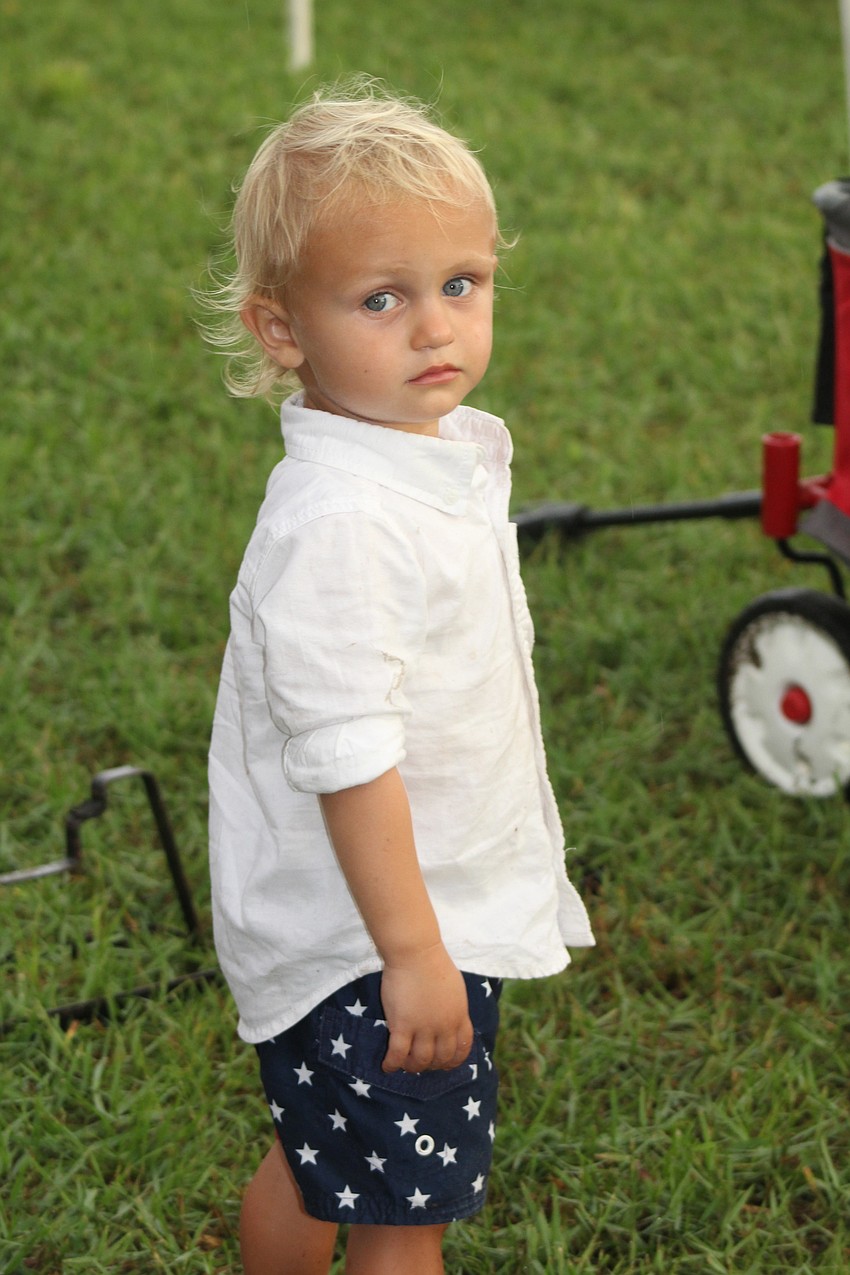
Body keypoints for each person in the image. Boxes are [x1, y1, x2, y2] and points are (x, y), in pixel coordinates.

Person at [203, 79, 594, 1275]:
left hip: (408, 915)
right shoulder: (340, 522)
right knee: (399, 1222)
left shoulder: (425, 454)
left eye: (460, 285)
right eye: (383, 299)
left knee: (321, 1160)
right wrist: (414, 953)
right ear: (283, 332)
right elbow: (348, 755)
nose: (436, 328)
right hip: (370, 941)